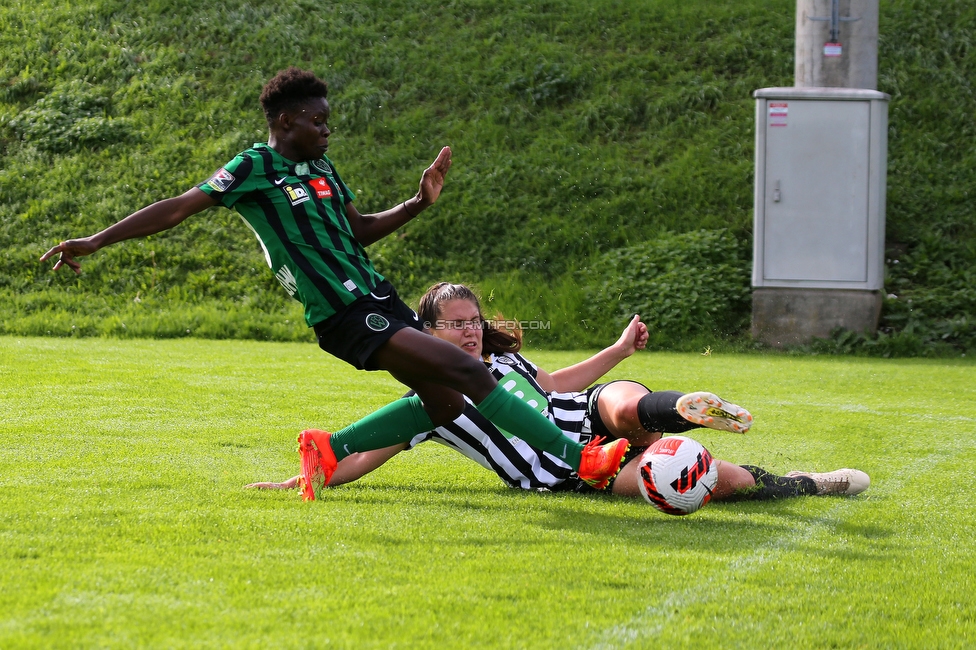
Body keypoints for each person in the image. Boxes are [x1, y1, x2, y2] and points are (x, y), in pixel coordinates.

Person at [39, 67, 631, 500]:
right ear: (283, 120)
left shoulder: (321, 168)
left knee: (443, 404)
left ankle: (328, 449)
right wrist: (94, 240)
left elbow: (359, 231)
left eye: (328, 120)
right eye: (316, 121)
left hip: (379, 298)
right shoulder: (253, 167)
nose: (327, 131)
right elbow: (177, 207)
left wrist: (418, 203)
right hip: (344, 314)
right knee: (470, 373)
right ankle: (581, 459)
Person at [247, 282, 871, 501]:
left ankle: (677, 410)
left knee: (621, 397)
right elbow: (362, 453)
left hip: (581, 414)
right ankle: (808, 482)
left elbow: (554, 385)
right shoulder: (434, 399)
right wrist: (304, 478)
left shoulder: (501, 356)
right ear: (427, 332)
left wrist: (619, 351)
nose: (466, 332)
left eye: (472, 320)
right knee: (710, 482)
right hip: (560, 469)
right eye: (452, 324)